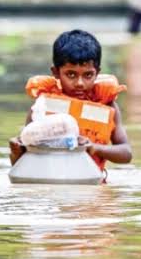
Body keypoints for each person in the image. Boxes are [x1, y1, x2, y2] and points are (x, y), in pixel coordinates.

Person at [9, 30, 132, 179]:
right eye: (71, 74)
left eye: (88, 75)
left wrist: (94, 148)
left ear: (97, 73)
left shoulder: (107, 106)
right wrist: (16, 151)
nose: (80, 83)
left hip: (91, 188)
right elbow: (22, 165)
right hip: (51, 190)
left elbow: (126, 153)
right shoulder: (42, 108)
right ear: (56, 72)